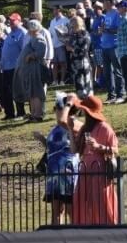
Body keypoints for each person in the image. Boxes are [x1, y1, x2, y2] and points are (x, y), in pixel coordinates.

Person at [69, 95, 118, 225]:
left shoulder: (104, 127)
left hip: (99, 171)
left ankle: (108, 231)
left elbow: (115, 149)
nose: (83, 112)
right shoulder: (85, 128)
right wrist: (69, 129)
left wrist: (98, 146)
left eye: (84, 110)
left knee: (101, 204)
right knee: (82, 203)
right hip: (85, 170)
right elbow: (74, 150)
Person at [33, 93, 80, 225]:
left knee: (70, 208)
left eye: (59, 108)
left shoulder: (72, 124)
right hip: (54, 173)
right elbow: (52, 148)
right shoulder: (55, 128)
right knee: (56, 209)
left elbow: (64, 122)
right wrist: (42, 139)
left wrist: (68, 103)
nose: (57, 111)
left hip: (68, 172)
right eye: (56, 108)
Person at [13, 19, 47, 122]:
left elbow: (40, 52)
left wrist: (31, 56)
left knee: (36, 92)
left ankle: (38, 114)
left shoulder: (39, 38)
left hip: (35, 70)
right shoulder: (33, 38)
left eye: (29, 26)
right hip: (29, 70)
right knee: (31, 93)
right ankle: (33, 114)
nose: (28, 28)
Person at [0, 13, 27, 120]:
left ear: (19, 21)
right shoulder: (10, 33)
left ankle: (21, 112)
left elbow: (24, 50)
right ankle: (9, 113)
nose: (10, 22)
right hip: (6, 67)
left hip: (16, 67)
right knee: (6, 91)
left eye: (13, 20)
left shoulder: (22, 33)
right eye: (10, 20)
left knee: (16, 90)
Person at [67, 16, 93, 98]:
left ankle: (88, 99)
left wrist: (72, 49)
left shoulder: (85, 33)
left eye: (73, 22)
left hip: (83, 62)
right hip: (74, 62)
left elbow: (85, 49)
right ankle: (80, 98)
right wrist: (67, 45)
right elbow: (69, 45)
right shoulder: (72, 35)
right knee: (78, 83)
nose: (71, 24)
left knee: (86, 82)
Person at [49, 6, 70, 86]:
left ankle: (62, 81)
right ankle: (55, 81)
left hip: (62, 44)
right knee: (54, 64)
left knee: (62, 63)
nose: (53, 11)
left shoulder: (66, 20)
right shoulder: (52, 21)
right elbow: (50, 33)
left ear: (59, 10)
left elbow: (68, 33)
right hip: (53, 45)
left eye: (54, 9)